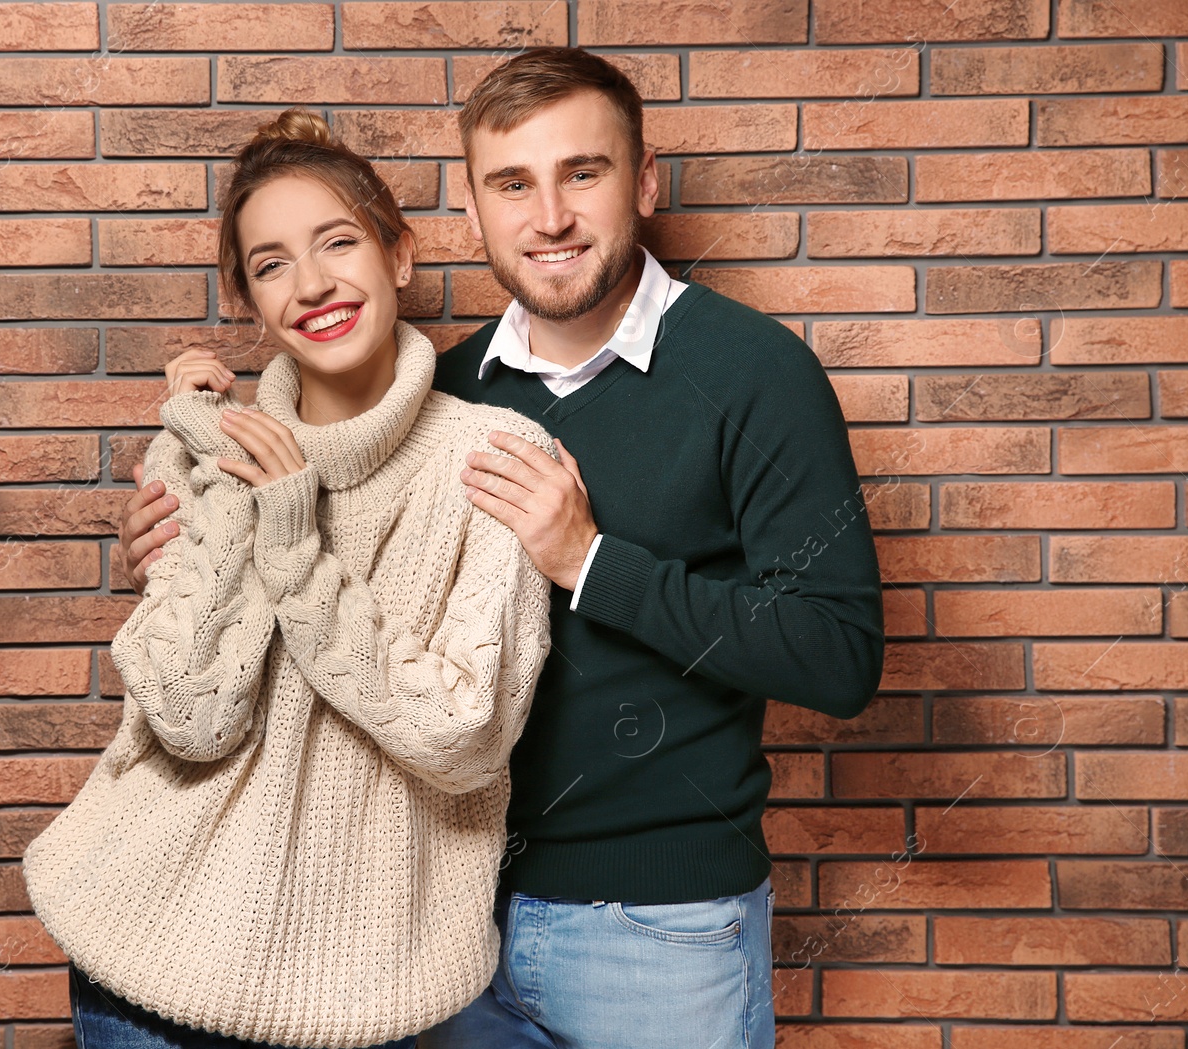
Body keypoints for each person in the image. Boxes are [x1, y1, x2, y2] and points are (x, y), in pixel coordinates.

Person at [116, 50, 886, 1049]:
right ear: (470, 213)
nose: (550, 216)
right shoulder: (443, 394)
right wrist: (187, 525)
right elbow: (318, 589)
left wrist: (591, 559)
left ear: (644, 181)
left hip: (650, 930)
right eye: (511, 183)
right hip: (431, 922)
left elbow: (835, 654)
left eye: (583, 173)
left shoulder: (753, 371)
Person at [22, 107, 559, 1049]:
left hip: (367, 995)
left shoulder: (496, 457)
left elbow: (463, 735)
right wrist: (221, 475)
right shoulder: (204, 450)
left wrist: (296, 544)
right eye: (272, 264)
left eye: (338, 243)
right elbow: (190, 717)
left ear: (400, 255)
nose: (312, 285)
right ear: (251, 300)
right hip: (146, 957)